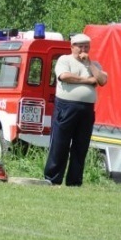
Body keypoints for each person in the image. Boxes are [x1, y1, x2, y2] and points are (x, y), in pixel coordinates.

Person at [44, 33, 108, 186]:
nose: (83, 49)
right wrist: (88, 81)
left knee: (81, 146)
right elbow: (65, 76)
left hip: (86, 109)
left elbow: (102, 80)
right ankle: (52, 179)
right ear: (72, 47)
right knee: (60, 144)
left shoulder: (94, 65)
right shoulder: (64, 60)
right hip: (66, 107)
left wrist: (90, 65)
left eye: (86, 46)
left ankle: (74, 181)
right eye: (80, 46)